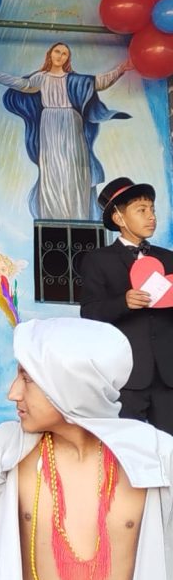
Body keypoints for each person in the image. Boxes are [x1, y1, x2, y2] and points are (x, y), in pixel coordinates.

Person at [0, 317, 173, 580]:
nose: (12, 393)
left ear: (68, 386)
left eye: (26, 379)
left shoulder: (155, 460)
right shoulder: (9, 454)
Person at [0, 43, 131, 221]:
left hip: (71, 123)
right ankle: (53, 215)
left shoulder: (75, 80)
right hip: (49, 124)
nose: (60, 56)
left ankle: (77, 215)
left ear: (67, 59)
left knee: (74, 168)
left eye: (64, 54)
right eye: (57, 51)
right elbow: (22, 84)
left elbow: (99, 82)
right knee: (52, 169)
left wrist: (120, 70)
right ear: (50, 54)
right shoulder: (41, 78)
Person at [79, 177, 173, 435]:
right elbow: (89, 312)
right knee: (125, 445)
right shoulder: (98, 260)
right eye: (141, 210)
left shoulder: (169, 259)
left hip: (168, 375)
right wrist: (124, 302)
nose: (151, 216)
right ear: (119, 218)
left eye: (152, 209)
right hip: (126, 376)